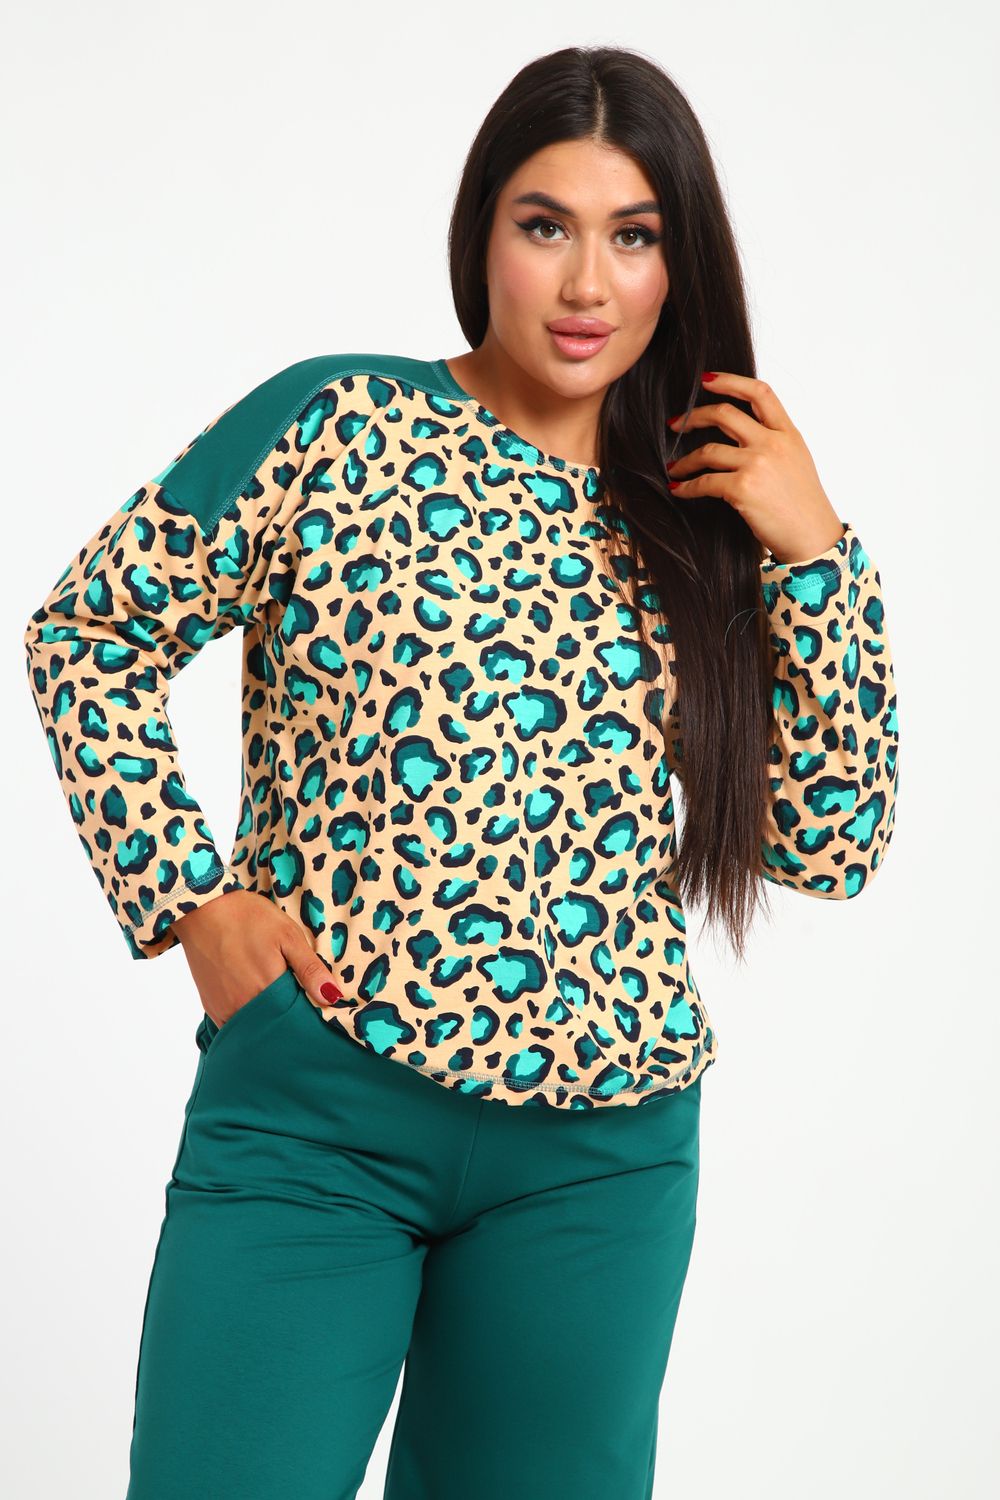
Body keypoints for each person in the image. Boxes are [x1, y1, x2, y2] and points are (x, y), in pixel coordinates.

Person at [22, 43, 899, 1500]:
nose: (587, 284)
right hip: (317, 1115)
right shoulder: (335, 425)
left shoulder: (702, 516)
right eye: (547, 225)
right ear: (481, 229)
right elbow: (89, 631)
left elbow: (829, 842)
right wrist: (189, 899)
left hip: (602, 1160)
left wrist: (817, 556)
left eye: (634, 237)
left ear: (677, 265)